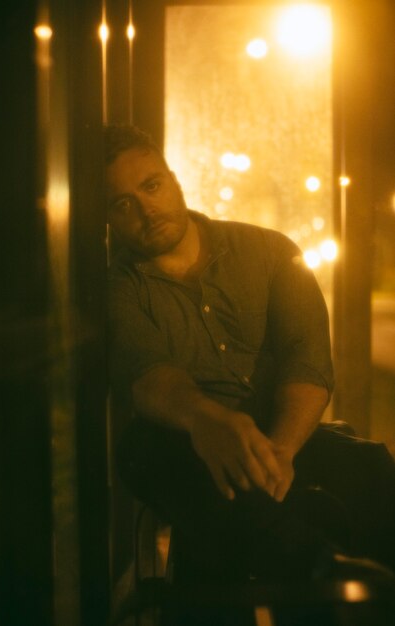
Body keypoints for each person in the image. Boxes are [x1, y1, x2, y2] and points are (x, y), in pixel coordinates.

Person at [106, 124, 395, 621]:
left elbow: (308, 359)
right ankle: (322, 569)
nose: (146, 208)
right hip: (189, 447)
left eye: (151, 186)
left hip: (282, 438)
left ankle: (370, 588)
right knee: (144, 451)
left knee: (368, 466)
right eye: (122, 203)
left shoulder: (269, 251)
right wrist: (205, 420)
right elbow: (149, 374)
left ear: (174, 181)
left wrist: (280, 451)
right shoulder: (121, 288)